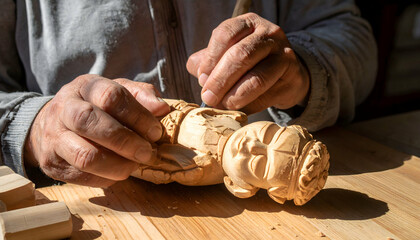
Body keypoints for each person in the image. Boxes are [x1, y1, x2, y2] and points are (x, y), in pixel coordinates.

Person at [0, 0, 377, 187]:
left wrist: (304, 68)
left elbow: (351, 35)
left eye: (258, 157)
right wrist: (34, 125)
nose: (250, 147)